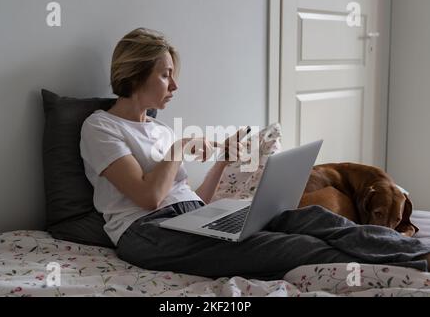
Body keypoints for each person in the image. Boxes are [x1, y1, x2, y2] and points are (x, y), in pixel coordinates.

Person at [80, 27, 430, 281]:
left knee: (313, 220)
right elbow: (149, 196)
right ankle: (407, 267)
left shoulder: (160, 129)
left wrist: (222, 161)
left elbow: (194, 201)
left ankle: (419, 252)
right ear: (135, 73)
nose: (175, 86)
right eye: (166, 75)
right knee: (292, 248)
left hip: (190, 218)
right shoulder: (101, 128)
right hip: (146, 233)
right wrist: (178, 148)